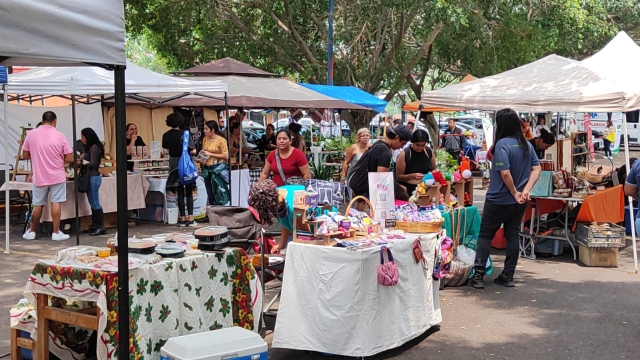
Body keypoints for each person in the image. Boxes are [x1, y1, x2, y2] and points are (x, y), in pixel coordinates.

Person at [467, 108, 541, 289]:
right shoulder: (526, 144)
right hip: (518, 203)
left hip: (498, 199)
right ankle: (508, 275)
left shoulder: (502, 145)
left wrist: (516, 191)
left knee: (485, 235)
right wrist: (525, 191)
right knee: (512, 235)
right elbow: (536, 168)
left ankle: (478, 277)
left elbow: (505, 172)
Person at [22, 111, 73, 241]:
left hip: (39, 176)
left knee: (38, 204)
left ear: (42, 120)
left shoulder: (31, 134)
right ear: (55, 121)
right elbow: (70, 158)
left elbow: (25, 155)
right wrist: (59, 158)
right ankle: (56, 232)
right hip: (57, 175)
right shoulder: (60, 136)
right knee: (56, 202)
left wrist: (37, 155)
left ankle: (32, 231)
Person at [347, 124, 412, 198]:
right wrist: (399, 189)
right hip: (372, 191)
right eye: (403, 144)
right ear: (396, 137)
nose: (402, 147)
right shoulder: (384, 152)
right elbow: (382, 179)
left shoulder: (379, 144)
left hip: (367, 186)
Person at [162, 112, 197, 227]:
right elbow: (193, 151)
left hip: (174, 166)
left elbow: (165, 151)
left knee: (180, 192)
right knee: (189, 191)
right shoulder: (185, 134)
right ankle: (191, 219)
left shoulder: (165, 135)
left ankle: (183, 219)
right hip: (185, 165)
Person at [80, 128, 106, 236]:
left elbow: (94, 164)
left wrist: (83, 162)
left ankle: (100, 226)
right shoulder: (90, 148)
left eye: (83, 137)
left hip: (93, 177)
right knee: (92, 202)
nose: (81, 139)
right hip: (90, 176)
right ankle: (94, 225)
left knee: (95, 202)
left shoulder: (94, 148)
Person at [396, 129, 436, 196]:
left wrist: (432, 174)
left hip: (427, 189)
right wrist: (412, 176)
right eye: (417, 145)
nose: (420, 148)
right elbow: (398, 176)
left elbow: (433, 169)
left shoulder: (428, 151)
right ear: (413, 142)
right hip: (409, 190)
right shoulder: (404, 154)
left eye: (423, 145)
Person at [200, 120, 229, 206]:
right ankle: (211, 210)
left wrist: (211, 154)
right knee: (209, 191)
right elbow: (204, 152)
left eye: (206, 129)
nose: (204, 130)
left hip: (217, 168)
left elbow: (225, 156)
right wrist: (201, 159)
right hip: (207, 167)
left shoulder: (221, 140)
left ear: (213, 130)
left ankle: (219, 209)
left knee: (218, 190)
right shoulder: (205, 139)